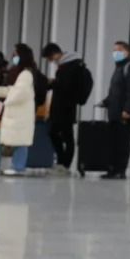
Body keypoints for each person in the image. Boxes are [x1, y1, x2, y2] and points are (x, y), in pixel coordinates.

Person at [0, 44, 46, 176]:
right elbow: (13, 90)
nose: (13, 57)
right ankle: (17, 165)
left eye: (16, 54)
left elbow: (19, 93)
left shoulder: (26, 74)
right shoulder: (23, 72)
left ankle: (18, 167)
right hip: (20, 112)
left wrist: (5, 103)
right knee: (19, 140)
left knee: (21, 141)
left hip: (21, 112)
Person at [96, 41, 130, 180]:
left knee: (122, 143)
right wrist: (106, 101)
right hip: (114, 113)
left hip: (124, 114)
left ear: (126, 52)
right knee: (114, 142)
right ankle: (112, 169)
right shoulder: (119, 68)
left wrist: (128, 110)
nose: (115, 53)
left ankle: (120, 170)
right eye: (114, 50)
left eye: (119, 50)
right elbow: (116, 91)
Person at [42, 44, 90, 173]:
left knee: (67, 135)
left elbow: (67, 85)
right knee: (54, 132)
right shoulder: (64, 65)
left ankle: (65, 164)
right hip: (59, 106)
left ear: (54, 53)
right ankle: (61, 161)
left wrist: (54, 82)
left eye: (49, 57)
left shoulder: (73, 65)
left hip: (67, 106)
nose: (50, 61)